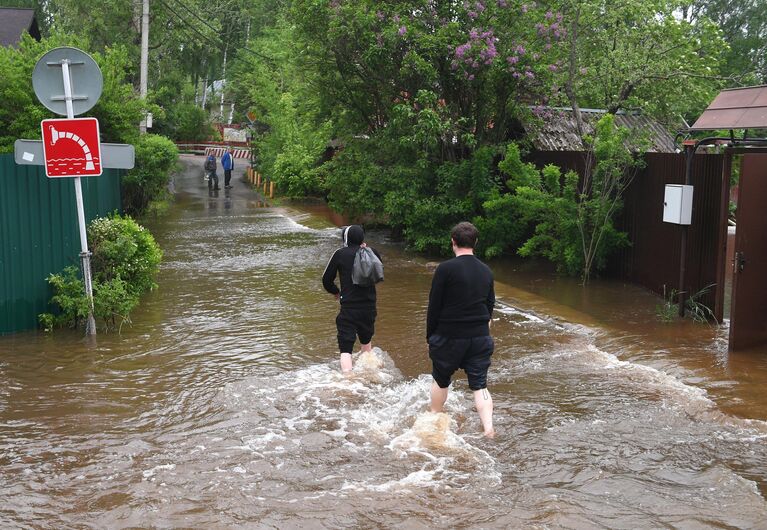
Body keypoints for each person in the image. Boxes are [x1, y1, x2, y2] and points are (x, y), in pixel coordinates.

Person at [426, 221, 496, 437]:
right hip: (479, 337)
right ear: (476, 243)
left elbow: (434, 305)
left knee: (441, 379)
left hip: (449, 337)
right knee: (480, 386)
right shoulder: (486, 271)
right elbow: (489, 304)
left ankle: (434, 419)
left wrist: (430, 336)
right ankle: (489, 428)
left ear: (453, 242)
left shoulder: (445, 269)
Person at [322, 225, 382, 373]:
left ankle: (349, 381)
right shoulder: (372, 252)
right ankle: (370, 373)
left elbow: (326, 279)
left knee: (346, 349)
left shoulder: (340, 254)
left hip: (349, 309)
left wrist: (336, 291)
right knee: (366, 343)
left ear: (345, 238)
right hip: (369, 308)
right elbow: (377, 271)